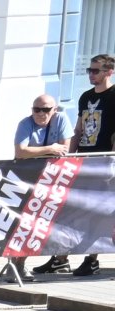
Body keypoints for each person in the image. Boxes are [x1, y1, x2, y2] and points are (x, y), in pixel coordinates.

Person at [71, 53, 114, 276]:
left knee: (102, 212)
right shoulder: (85, 96)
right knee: (75, 208)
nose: (91, 74)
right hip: (84, 160)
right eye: (90, 70)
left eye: (96, 70)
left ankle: (92, 258)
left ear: (109, 72)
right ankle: (59, 257)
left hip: (104, 161)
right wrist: (69, 156)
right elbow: (79, 130)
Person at [20, 96, 74, 274]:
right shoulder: (26, 123)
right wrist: (51, 149)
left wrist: (36, 152)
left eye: (45, 110)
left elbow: (65, 149)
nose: (40, 114)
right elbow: (20, 151)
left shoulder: (61, 119)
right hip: (32, 180)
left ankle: (61, 260)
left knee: (61, 221)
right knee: (28, 223)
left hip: (56, 179)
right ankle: (17, 265)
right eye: (37, 110)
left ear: (54, 110)